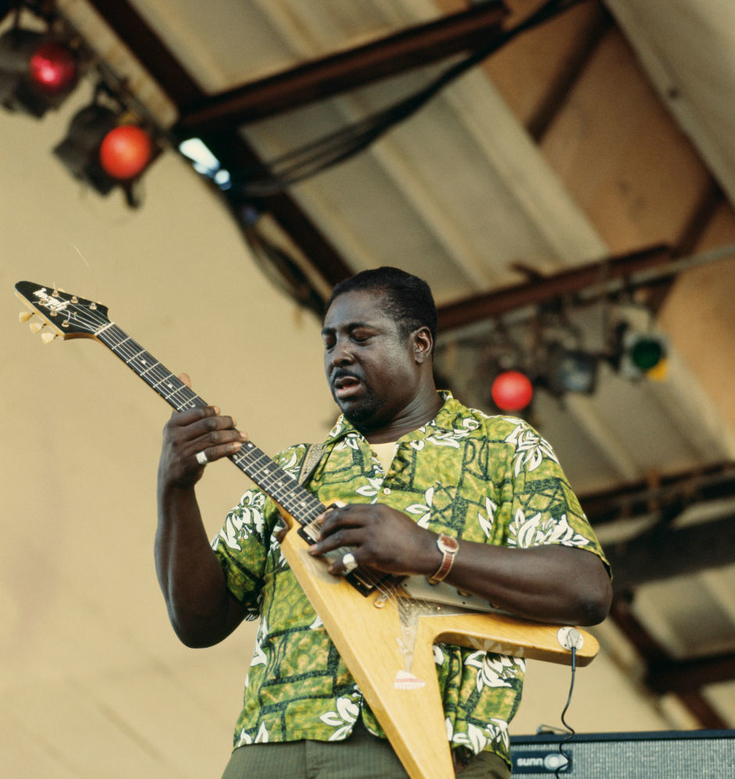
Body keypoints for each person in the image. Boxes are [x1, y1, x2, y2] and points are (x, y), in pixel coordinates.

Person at [156, 267, 612, 778]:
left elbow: (586, 589)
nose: (339, 354)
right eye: (328, 342)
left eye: (360, 336)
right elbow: (197, 623)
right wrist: (175, 490)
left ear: (420, 344)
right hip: (270, 747)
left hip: (429, 748)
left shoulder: (502, 450)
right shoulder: (294, 470)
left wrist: (430, 551)